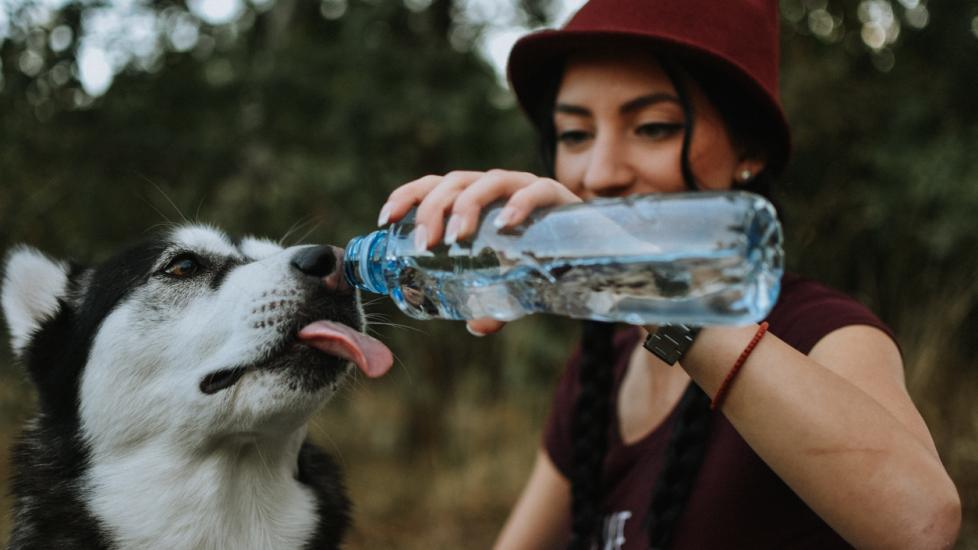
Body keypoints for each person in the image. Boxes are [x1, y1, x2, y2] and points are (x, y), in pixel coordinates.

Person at [375, 0, 962, 548]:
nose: (600, 173)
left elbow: (921, 522)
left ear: (748, 150)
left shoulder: (820, 331)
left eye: (654, 127)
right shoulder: (600, 368)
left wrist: (652, 289)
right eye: (574, 135)